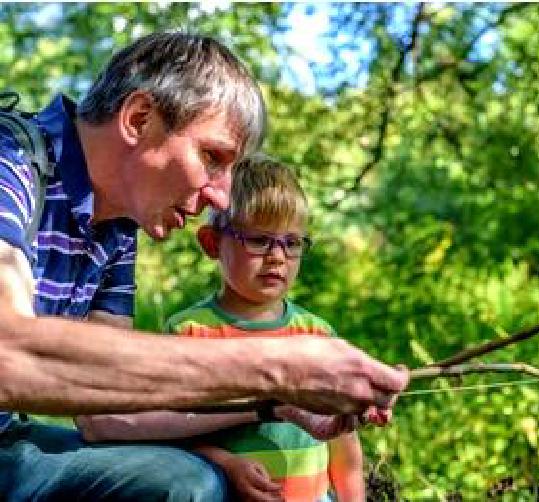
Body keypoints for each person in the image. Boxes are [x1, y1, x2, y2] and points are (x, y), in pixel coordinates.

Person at [0, 32, 408, 500]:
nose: (221, 194)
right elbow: (5, 354)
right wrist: (279, 366)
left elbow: (106, 416)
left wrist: (275, 402)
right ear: (139, 119)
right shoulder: (10, 164)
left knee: (186, 482)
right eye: (212, 157)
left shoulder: (115, 226)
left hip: (8, 446)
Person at [78, 154, 378, 502]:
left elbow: (344, 450)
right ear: (212, 243)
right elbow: (170, 433)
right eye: (258, 240)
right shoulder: (191, 333)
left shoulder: (317, 338)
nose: (277, 256)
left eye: (292, 242)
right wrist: (224, 463)